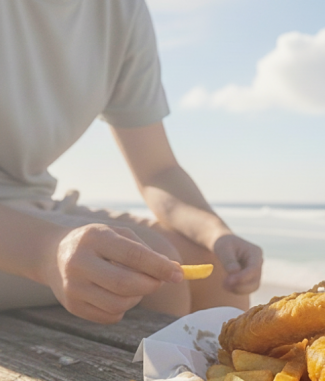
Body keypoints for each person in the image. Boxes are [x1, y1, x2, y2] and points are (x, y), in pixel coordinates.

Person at [0, 0, 263, 324]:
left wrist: (217, 233)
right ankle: (135, 375)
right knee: (155, 264)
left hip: (34, 206)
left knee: (218, 267)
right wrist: (47, 252)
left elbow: (157, 170)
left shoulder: (122, 10)